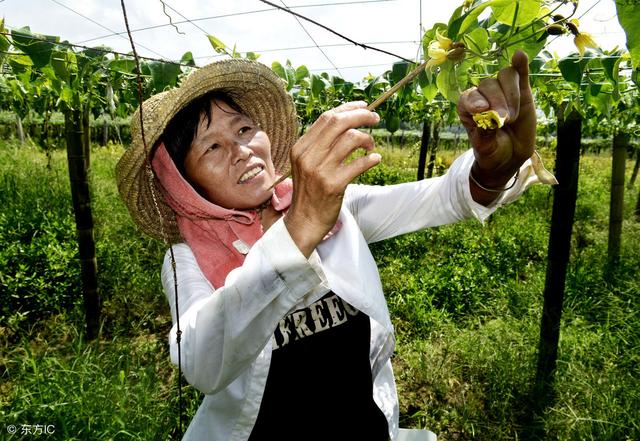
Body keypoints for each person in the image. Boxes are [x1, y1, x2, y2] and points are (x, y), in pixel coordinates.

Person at [116, 51, 543, 441]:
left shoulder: (332, 207)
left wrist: (491, 169)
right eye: (212, 146)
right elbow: (201, 362)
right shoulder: (187, 258)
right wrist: (300, 227)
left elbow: (441, 200)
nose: (243, 150)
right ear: (185, 187)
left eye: (245, 129)